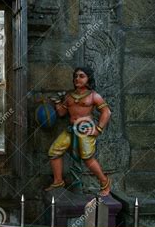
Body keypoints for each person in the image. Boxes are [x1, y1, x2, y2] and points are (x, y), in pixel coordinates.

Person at [46, 67, 112, 196]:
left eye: (82, 76)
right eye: (76, 76)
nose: (77, 78)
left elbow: (106, 112)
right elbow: (62, 113)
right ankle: (58, 181)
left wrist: (98, 129)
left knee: (87, 158)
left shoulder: (93, 95)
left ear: (88, 79)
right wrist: (58, 102)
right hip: (71, 130)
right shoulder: (69, 96)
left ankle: (105, 182)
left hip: (85, 130)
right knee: (54, 151)